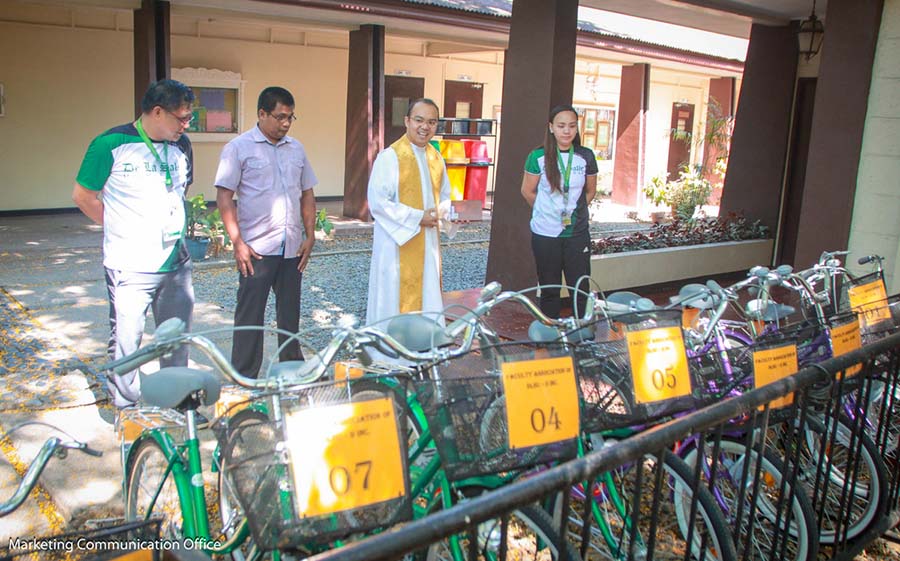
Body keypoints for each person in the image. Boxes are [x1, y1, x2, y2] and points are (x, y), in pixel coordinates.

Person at [72, 79, 196, 407]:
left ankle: (178, 402)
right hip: (130, 262)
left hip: (175, 261)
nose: (186, 126)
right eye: (181, 118)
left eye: (189, 119)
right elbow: (83, 196)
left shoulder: (182, 146)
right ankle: (126, 409)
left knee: (176, 337)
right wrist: (118, 224)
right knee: (127, 341)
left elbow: (179, 192)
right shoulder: (110, 144)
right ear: (157, 112)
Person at [215, 86, 318, 378]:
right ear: (262, 114)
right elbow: (225, 196)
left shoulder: (296, 148)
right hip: (257, 249)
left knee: (290, 315)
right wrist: (237, 242)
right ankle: (245, 378)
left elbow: (307, 192)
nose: (285, 124)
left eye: (290, 118)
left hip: (291, 248)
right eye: (280, 117)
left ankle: (292, 372)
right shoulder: (238, 148)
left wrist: (309, 235)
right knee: (250, 315)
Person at [366, 98, 452, 326]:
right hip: (396, 246)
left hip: (427, 243)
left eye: (432, 122)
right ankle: (389, 354)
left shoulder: (436, 158)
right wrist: (417, 217)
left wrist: (444, 214)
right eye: (419, 120)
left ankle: (423, 350)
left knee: (428, 292)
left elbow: (444, 195)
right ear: (407, 121)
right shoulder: (390, 157)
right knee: (393, 297)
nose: (425, 127)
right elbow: (378, 203)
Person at [521, 104, 598, 319]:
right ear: (551, 127)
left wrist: (574, 213)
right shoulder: (537, 156)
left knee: (580, 288)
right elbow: (527, 191)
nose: (567, 131)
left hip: (577, 232)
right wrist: (547, 212)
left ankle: (582, 333)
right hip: (545, 233)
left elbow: (590, 191)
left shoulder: (586, 156)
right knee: (549, 289)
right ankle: (550, 335)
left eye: (572, 126)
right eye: (561, 125)